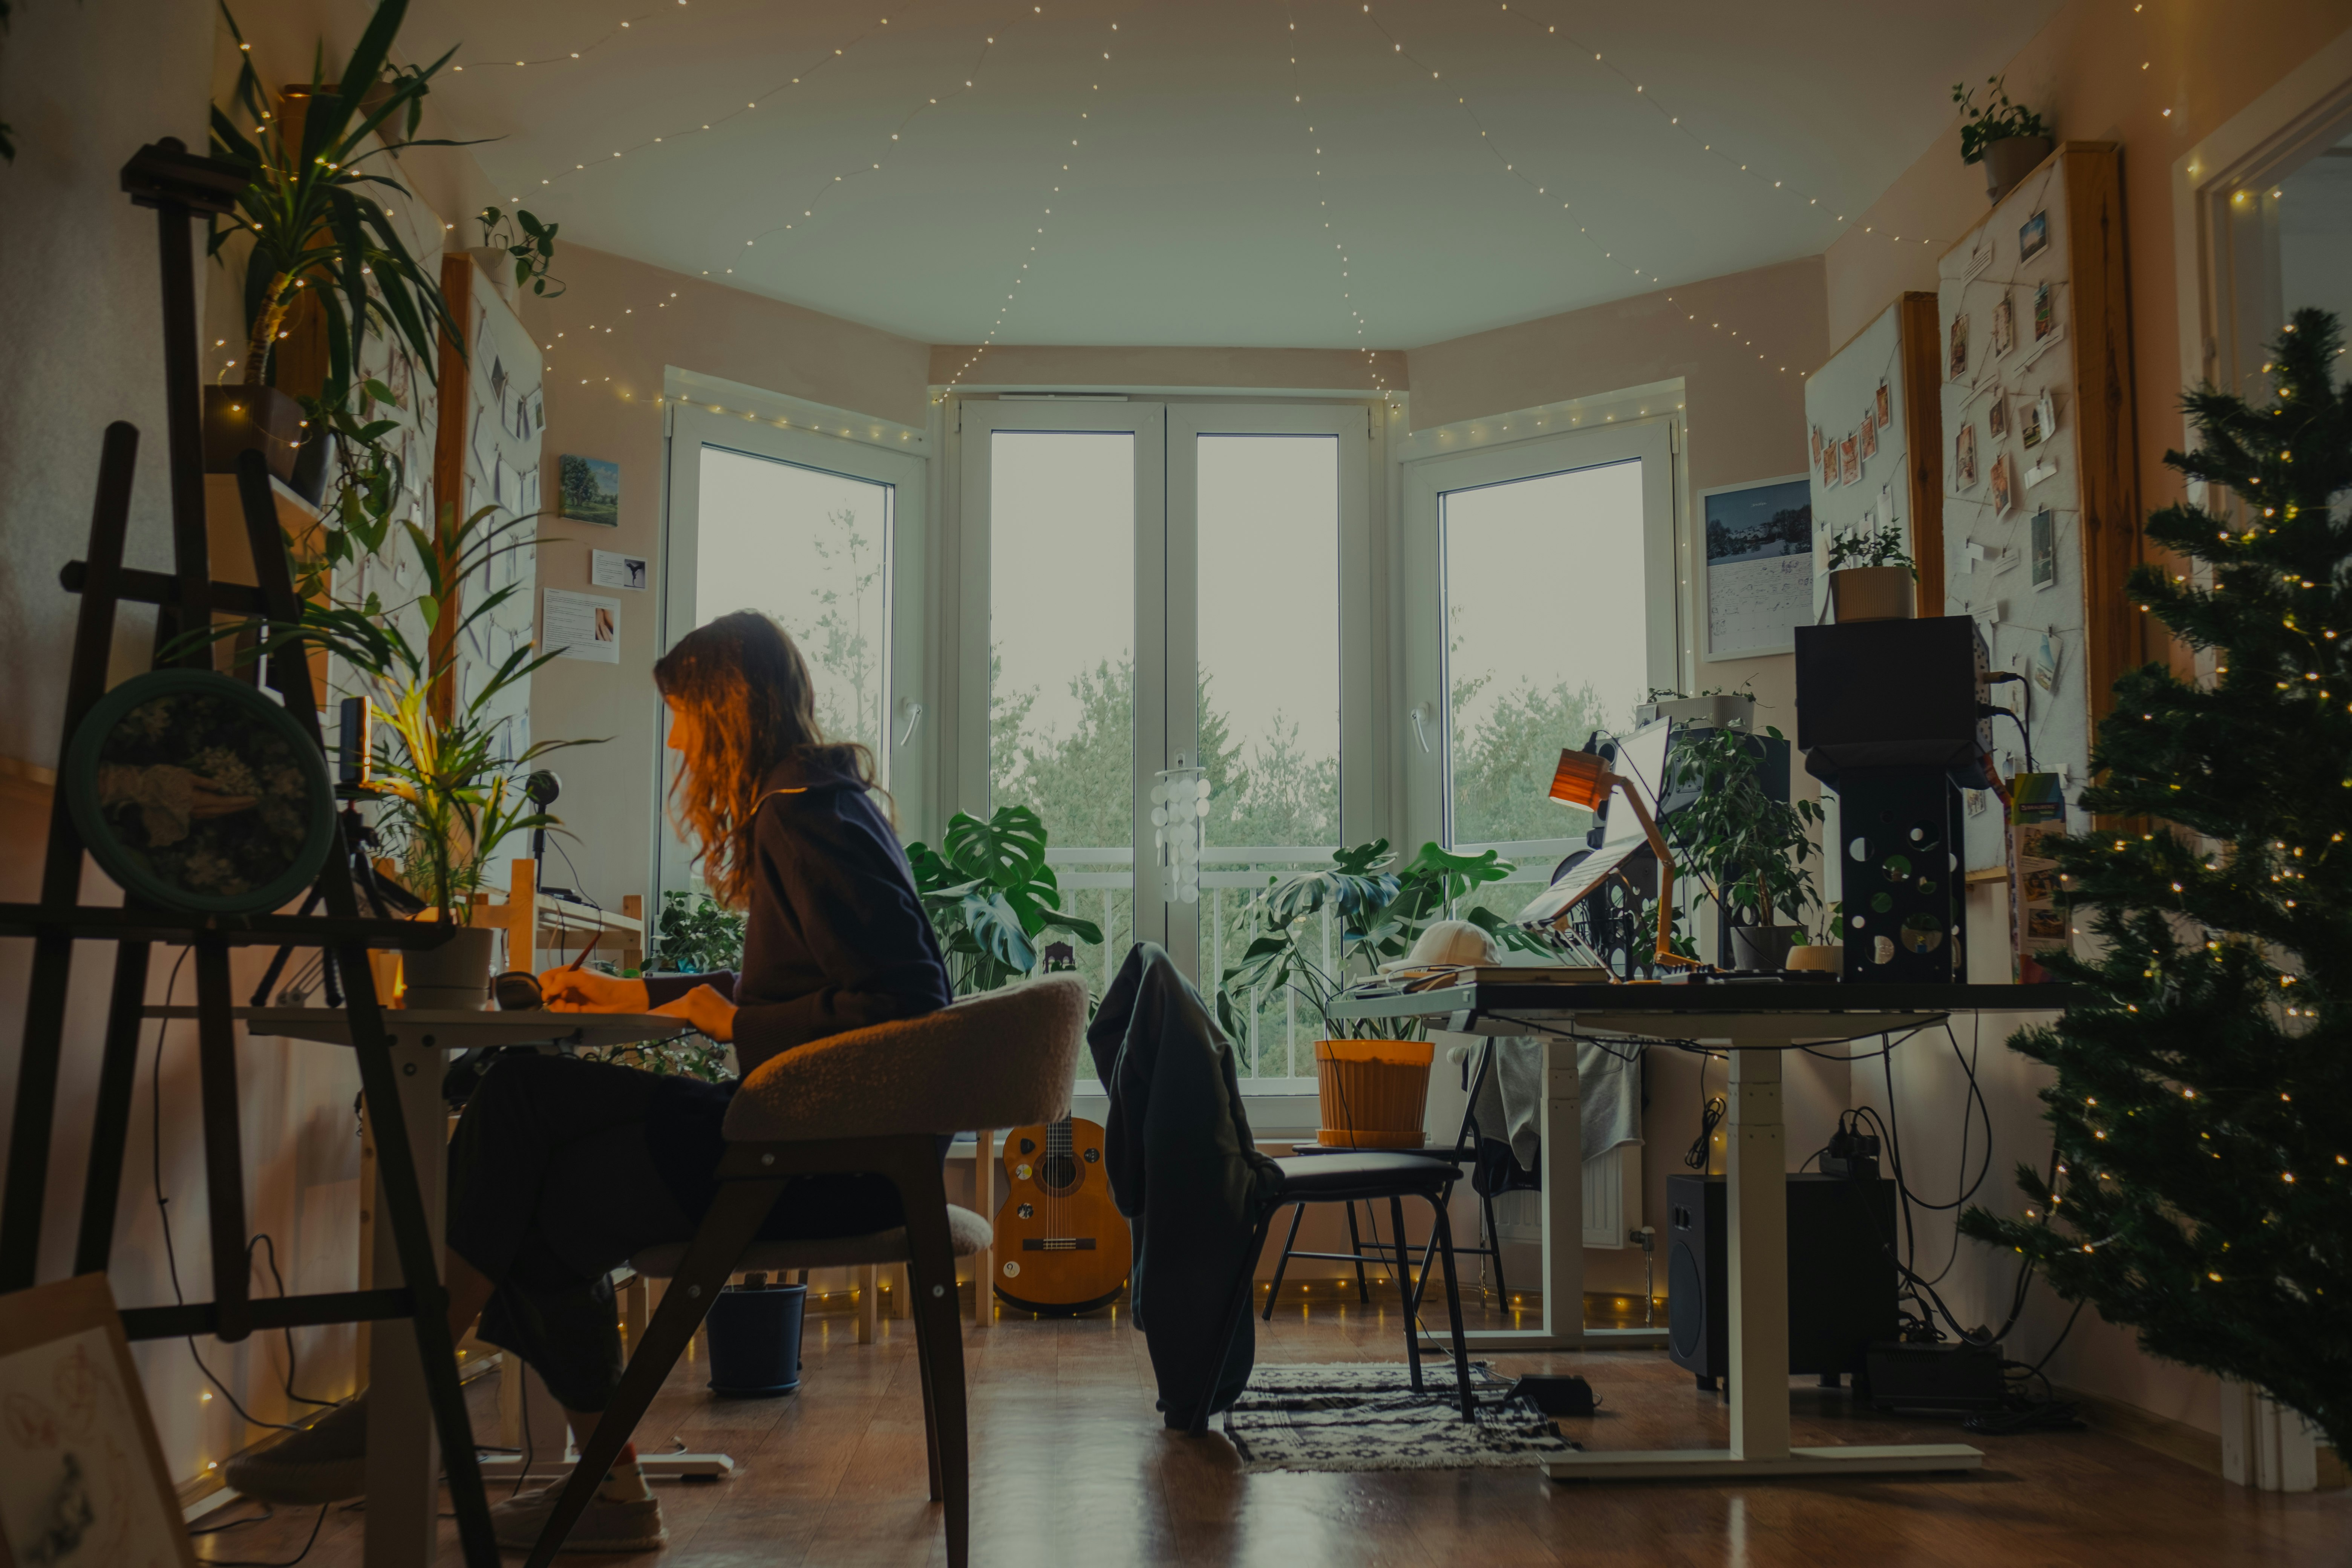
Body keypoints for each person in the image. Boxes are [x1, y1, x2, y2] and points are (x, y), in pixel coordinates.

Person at [228, 612, 951, 1552]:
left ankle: (411, 1402)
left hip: (829, 1156)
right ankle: (598, 1492)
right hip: (819, 1134)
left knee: (521, 1106)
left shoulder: (803, 809)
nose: (682, 741)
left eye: (687, 717)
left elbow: (907, 998)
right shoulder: (816, 799)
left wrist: (725, 1019)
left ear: (729, 711)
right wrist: (650, 992)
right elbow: (818, 983)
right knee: (530, 1187)